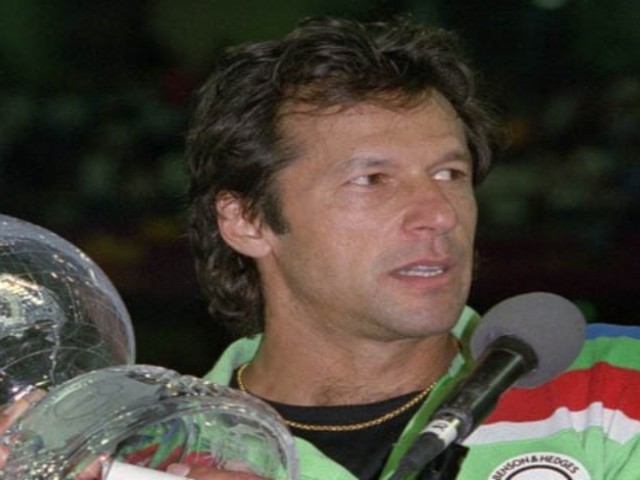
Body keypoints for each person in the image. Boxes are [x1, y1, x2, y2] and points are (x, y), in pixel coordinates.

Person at [181, 15, 640, 480]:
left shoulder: (618, 385)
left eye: (450, 175)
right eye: (373, 180)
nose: (441, 214)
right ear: (247, 221)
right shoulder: (157, 452)